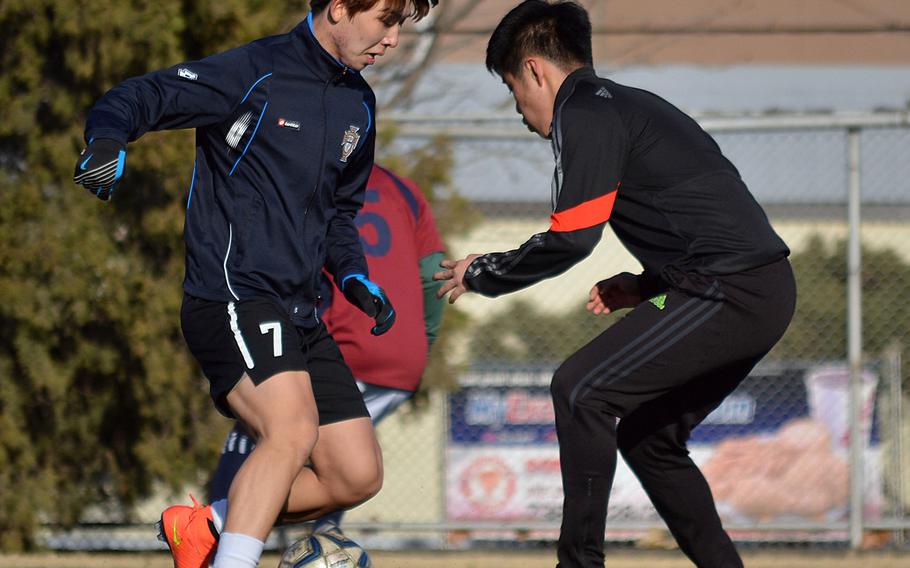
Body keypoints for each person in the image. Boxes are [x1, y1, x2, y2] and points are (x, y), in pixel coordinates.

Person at [73, 1, 437, 567]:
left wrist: (354, 275)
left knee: (355, 475)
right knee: (291, 432)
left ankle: (209, 525)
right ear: (339, 7)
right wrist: (106, 141)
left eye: (401, 26)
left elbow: (341, 214)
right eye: (386, 21)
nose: (393, 40)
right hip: (231, 297)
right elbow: (142, 95)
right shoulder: (253, 71)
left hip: (301, 312)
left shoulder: (359, 104)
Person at [434, 2, 796, 568]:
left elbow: (574, 236)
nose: (520, 112)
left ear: (534, 71)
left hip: (730, 290)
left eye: (511, 90)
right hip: (750, 288)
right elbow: (705, 216)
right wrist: (646, 285)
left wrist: (486, 272)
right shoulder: (628, 105)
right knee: (649, 441)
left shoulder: (585, 112)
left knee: (581, 389)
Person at [209, 164, 446, 536]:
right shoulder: (404, 189)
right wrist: (419, 345)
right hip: (403, 356)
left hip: (344, 343)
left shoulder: (303, 177)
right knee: (341, 462)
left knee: (257, 432)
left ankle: (207, 534)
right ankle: (321, 545)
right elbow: (434, 277)